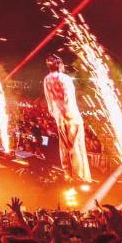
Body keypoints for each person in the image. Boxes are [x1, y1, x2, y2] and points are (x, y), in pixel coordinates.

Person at [42, 54, 92, 182]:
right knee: (76, 146)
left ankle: (68, 175)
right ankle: (80, 177)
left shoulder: (47, 79)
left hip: (59, 118)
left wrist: (58, 115)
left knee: (64, 148)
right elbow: (68, 98)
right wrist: (68, 114)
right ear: (59, 64)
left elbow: (49, 102)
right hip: (71, 117)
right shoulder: (65, 78)